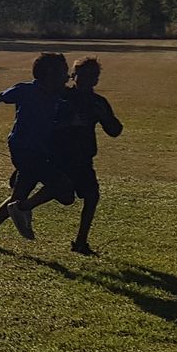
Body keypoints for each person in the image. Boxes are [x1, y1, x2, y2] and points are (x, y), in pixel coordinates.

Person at [0, 52, 70, 250]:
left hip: (40, 150)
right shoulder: (26, 90)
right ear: (50, 73)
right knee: (62, 186)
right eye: (63, 71)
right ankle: (23, 208)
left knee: (20, 192)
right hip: (23, 148)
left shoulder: (58, 94)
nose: (66, 75)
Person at [52, 57, 124, 255]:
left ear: (97, 80)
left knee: (91, 196)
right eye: (83, 75)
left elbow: (115, 131)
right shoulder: (62, 97)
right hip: (59, 155)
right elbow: (47, 123)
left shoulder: (98, 103)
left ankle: (81, 242)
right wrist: (68, 123)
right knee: (60, 195)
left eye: (93, 76)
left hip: (84, 157)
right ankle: (2, 219)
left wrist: (104, 117)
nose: (88, 80)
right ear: (74, 76)